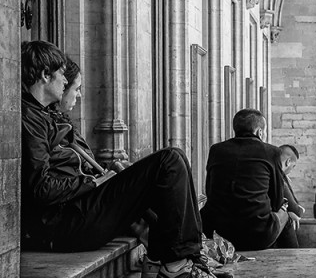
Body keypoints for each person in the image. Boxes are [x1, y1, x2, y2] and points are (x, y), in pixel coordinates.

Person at [21, 42, 207, 277]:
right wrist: (94, 182)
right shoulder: (28, 118)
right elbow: (40, 188)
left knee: (173, 159)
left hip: (76, 211)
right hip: (65, 224)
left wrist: (109, 174)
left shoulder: (43, 114)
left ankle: (176, 259)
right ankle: (177, 263)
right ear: (45, 75)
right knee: (169, 160)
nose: (66, 82)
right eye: (61, 74)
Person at [201, 109, 288, 250]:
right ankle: (288, 261)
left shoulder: (217, 150)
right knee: (285, 215)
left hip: (217, 232)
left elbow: (209, 191)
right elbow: (277, 200)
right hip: (257, 234)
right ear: (260, 132)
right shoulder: (271, 152)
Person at [274, 144, 304, 248]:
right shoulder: (279, 178)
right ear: (288, 162)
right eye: (293, 166)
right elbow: (296, 211)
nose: (292, 169)